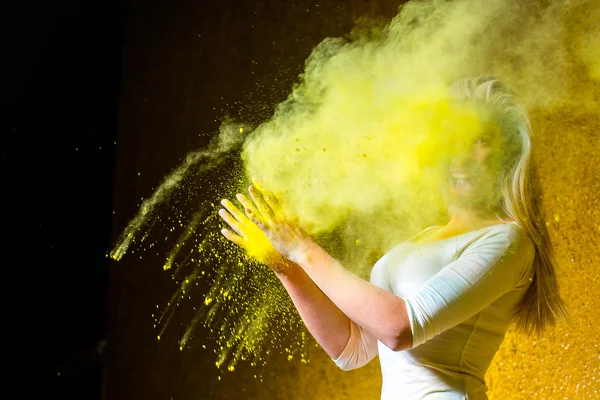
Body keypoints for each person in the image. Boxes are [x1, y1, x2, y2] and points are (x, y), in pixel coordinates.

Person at [217, 76, 567, 399]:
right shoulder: (423, 240)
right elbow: (351, 349)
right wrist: (287, 266)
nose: (460, 155)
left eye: (479, 140)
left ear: (505, 154)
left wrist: (303, 248)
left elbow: (400, 328)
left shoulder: (507, 240)